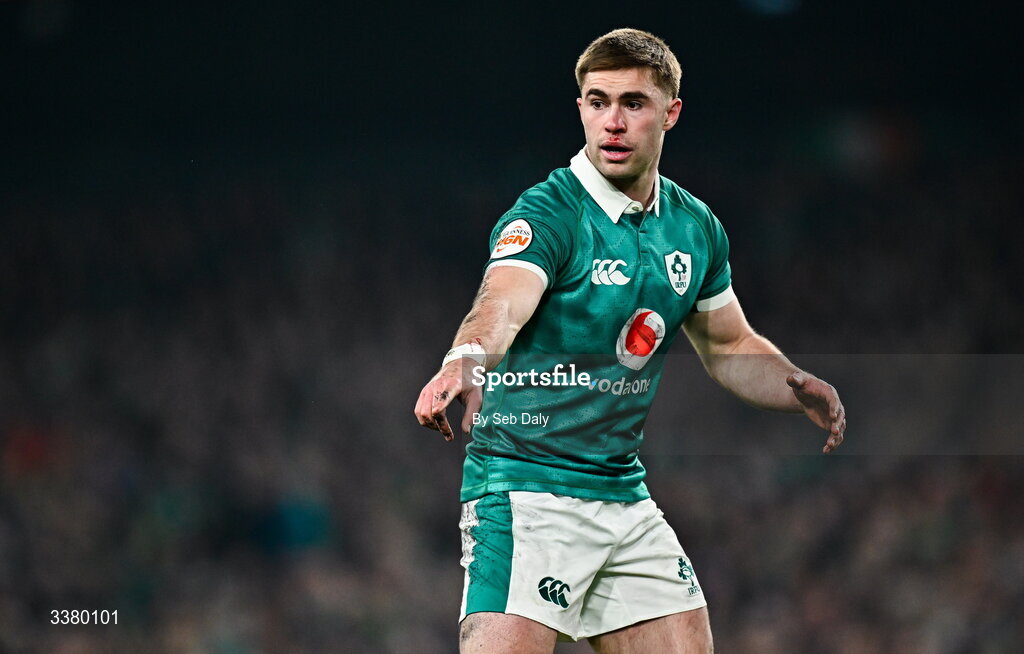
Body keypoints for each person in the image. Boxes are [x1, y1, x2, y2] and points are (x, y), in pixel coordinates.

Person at [414, 28, 846, 654]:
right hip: (528, 491)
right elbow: (501, 303)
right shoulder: (549, 213)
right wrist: (464, 358)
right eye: (597, 101)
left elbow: (726, 345)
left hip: (620, 493)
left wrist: (791, 383)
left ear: (671, 112)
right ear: (581, 108)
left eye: (633, 103)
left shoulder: (695, 226)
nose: (612, 122)